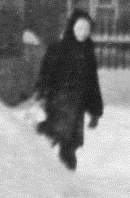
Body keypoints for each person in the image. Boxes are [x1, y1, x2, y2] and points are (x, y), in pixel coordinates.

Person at [35, 10, 104, 171]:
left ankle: (66, 181)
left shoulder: (88, 52)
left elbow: (92, 82)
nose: (83, 33)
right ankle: (37, 176)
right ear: (71, 27)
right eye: (79, 28)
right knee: (46, 142)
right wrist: (43, 95)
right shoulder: (57, 49)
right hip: (57, 104)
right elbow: (45, 75)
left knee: (69, 148)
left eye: (87, 29)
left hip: (76, 108)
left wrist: (95, 112)